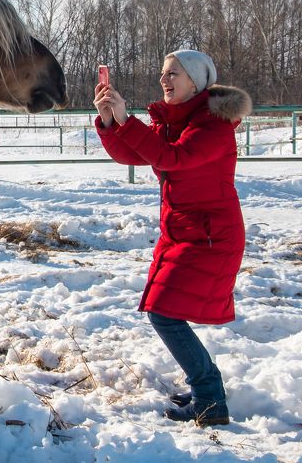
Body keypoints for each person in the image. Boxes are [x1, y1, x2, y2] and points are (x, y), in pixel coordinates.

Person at [93, 50, 252, 427]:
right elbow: (133, 155)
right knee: (164, 310)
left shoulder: (212, 125)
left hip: (211, 237)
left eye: (174, 73)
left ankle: (210, 398)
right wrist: (108, 121)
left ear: (195, 81)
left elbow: (171, 159)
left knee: (164, 313)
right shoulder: (176, 122)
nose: (164, 79)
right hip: (184, 232)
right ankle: (206, 390)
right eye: (163, 73)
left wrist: (127, 119)